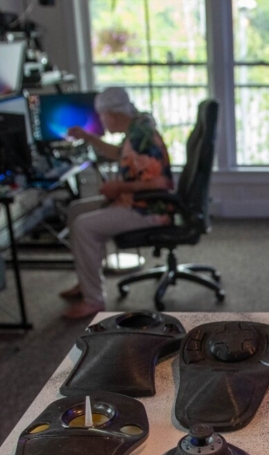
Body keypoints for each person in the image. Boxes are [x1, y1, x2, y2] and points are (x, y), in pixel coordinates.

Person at [59, 87, 173, 319]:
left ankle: (93, 300)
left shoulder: (140, 136)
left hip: (150, 208)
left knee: (84, 226)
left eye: (102, 117)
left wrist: (119, 187)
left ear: (112, 114)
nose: (102, 122)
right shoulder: (136, 127)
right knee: (76, 211)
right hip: (135, 201)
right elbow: (119, 154)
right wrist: (88, 137)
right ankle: (87, 281)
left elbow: (161, 183)